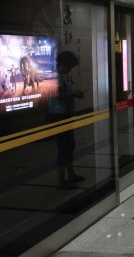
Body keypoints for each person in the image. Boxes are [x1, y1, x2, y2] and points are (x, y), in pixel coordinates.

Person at [49, 51, 86, 189]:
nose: (70, 70)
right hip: (60, 116)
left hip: (63, 115)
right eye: (69, 67)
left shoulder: (60, 77)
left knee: (69, 146)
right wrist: (73, 94)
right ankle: (61, 180)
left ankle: (70, 175)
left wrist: (74, 94)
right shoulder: (56, 77)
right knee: (64, 147)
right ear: (63, 65)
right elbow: (58, 95)